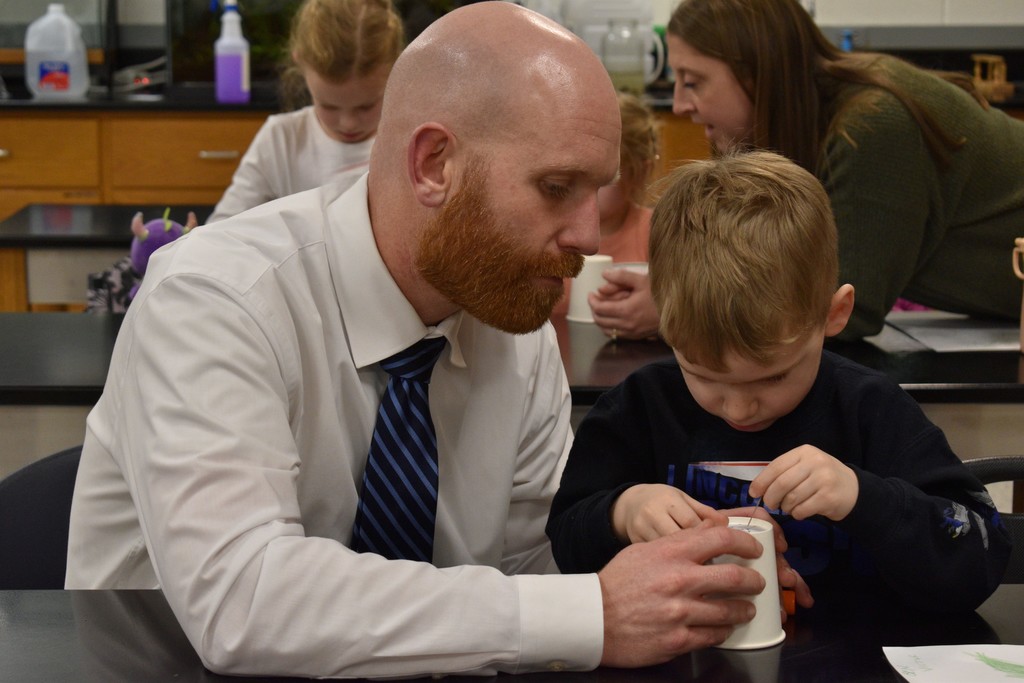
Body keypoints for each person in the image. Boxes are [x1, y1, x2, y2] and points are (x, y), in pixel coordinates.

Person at [65, 3, 780, 678]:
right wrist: (593, 609)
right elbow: (243, 599)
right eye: (557, 186)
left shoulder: (509, 317)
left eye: (595, 191)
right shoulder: (218, 297)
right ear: (434, 163)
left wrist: (680, 575)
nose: (588, 235)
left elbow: (532, 560)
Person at [546, 151, 1012, 613]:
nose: (738, 409)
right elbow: (565, 548)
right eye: (704, 376)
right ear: (664, 327)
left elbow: (980, 559)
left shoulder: (871, 410)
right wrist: (622, 512)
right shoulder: (639, 409)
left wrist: (862, 497)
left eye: (772, 377)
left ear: (834, 315)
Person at [663, 0, 1024, 340]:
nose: (679, 104)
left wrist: (677, 310)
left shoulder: (874, 125)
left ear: (756, 72)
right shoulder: (825, 116)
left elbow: (841, 314)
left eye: (692, 81)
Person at [206, 0, 404, 223]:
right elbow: (223, 227)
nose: (348, 123)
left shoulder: (410, 141)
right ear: (300, 63)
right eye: (329, 106)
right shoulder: (281, 140)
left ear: (398, 65)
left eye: (366, 106)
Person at [552, 91, 661, 341]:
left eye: (604, 179)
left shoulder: (658, 235)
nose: (580, 192)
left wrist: (664, 312)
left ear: (640, 171)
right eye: (571, 174)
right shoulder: (547, 234)